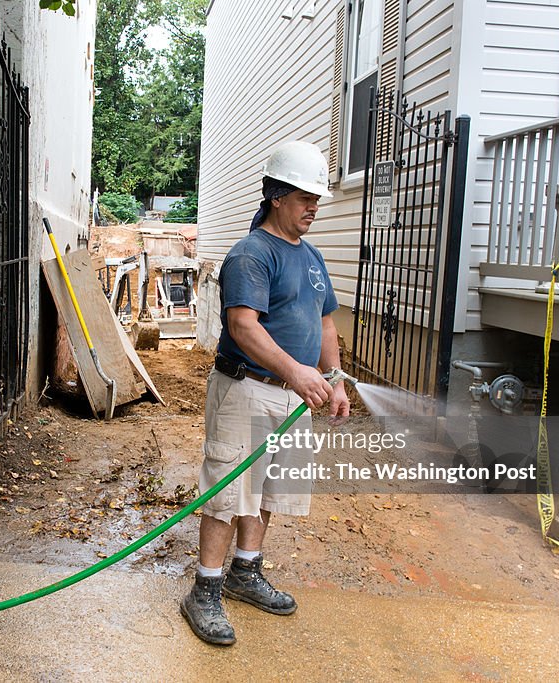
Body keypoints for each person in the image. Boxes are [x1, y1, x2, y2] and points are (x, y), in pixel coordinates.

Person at [181, 140, 351, 645]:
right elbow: (244, 326)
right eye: (304, 197)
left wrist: (334, 377)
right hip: (247, 389)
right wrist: (298, 373)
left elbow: (325, 323)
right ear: (277, 195)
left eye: (316, 198)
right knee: (229, 491)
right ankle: (205, 589)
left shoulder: (313, 257)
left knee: (271, 489)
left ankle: (245, 572)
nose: (314, 207)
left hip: (294, 396)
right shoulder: (251, 254)